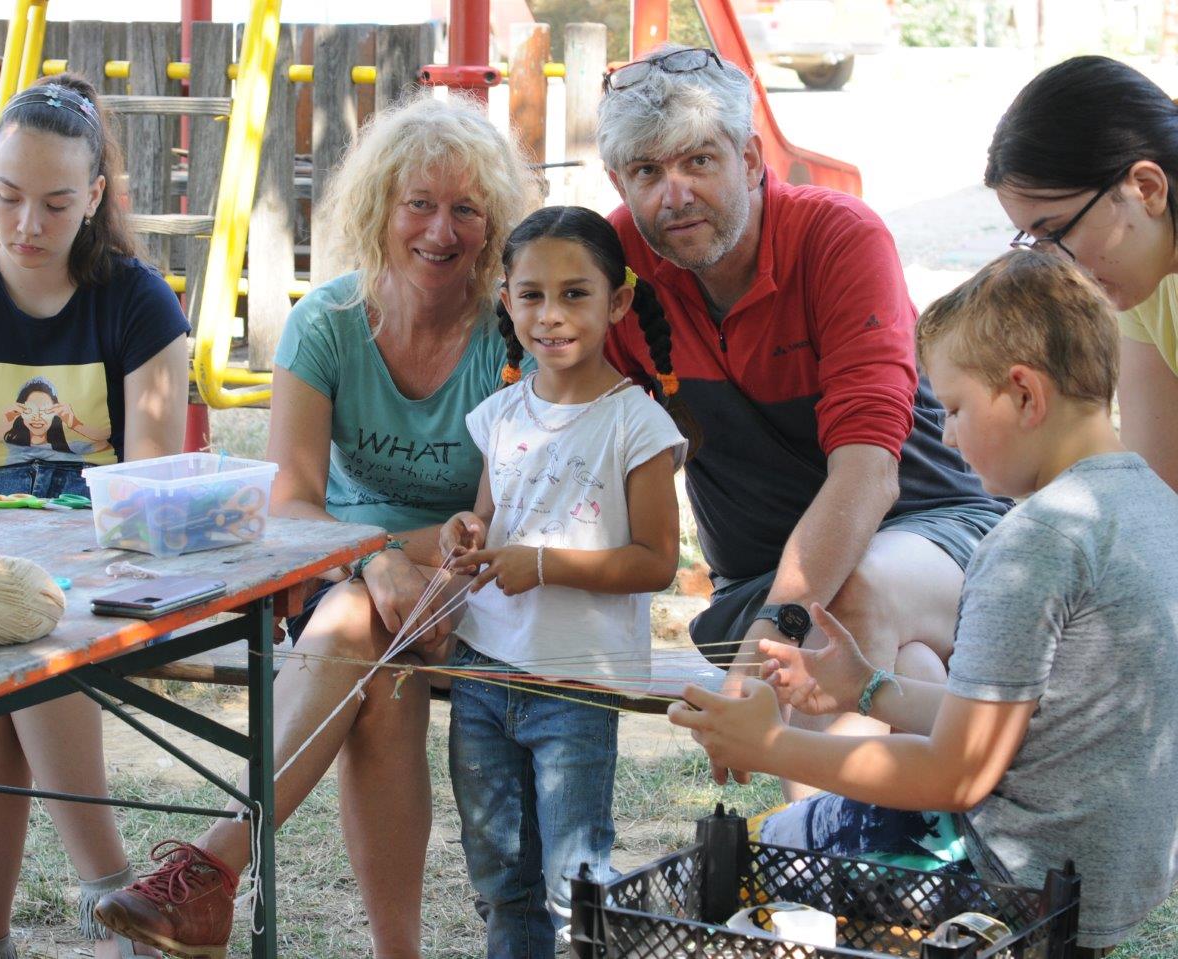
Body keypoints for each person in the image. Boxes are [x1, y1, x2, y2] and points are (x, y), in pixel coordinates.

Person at [94, 93, 537, 959]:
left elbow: (492, 520)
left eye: (465, 209)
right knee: (369, 646)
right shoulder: (327, 323)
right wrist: (370, 562)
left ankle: (213, 868)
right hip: (338, 572)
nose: (439, 231)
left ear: (494, 225)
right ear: (379, 208)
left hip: (464, 585)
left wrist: (392, 561)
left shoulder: (507, 335)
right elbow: (289, 503)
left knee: (365, 642)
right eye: (418, 203)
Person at [668, 249, 1178, 954]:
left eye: (955, 407)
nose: (944, 435)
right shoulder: (1156, 506)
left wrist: (771, 743)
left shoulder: (1034, 541)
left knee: (741, 865)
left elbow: (956, 775)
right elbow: (1034, 723)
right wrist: (871, 689)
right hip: (1104, 882)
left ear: (1025, 395)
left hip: (999, 883)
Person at [594, 44, 1008, 796]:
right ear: (618, 181)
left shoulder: (839, 237)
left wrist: (777, 626)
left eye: (697, 161)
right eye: (647, 172)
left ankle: (812, 874)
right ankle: (888, 885)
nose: (674, 193)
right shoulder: (616, 262)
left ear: (752, 157)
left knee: (845, 605)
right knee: (904, 673)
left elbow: (869, 471)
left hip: (935, 531)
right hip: (762, 577)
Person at [0, 74, 190, 959]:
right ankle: (107, 904)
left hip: (99, 567)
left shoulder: (139, 304)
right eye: (9, 195)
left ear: (96, 198)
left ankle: (70, 910)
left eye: (57, 204)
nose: (26, 225)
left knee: (27, 647)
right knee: (3, 646)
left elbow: (149, 492)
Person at [439, 206, 695, 958]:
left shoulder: (637, 424)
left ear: (617, 302)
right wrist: (467, 530)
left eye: (575, 294)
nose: (551, 316)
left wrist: (545, 564)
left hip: (576, 684)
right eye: (531, 295)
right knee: (499, 877)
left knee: (572, 881)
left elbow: (655, 559)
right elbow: (490, 519)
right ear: (506, 301)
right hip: (483, 670)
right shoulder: (500, 414)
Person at [987, 54, 1178, 492]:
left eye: (1057, 230)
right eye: (1035, 239)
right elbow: (1160, 494)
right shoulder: (1141, 282)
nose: (1055, 264)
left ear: (1146, 188)